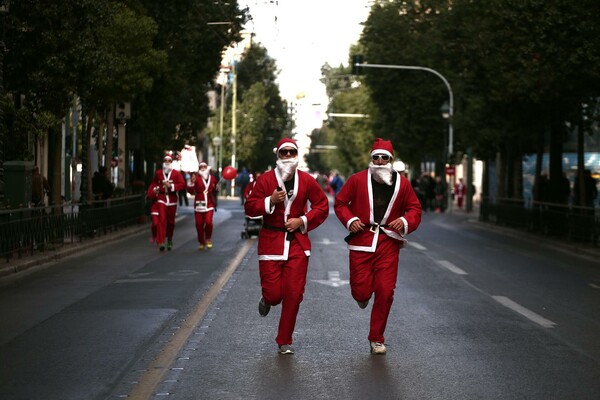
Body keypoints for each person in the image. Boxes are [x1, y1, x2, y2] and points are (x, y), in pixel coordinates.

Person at [334, 138, 422, 355]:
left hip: (388, 242)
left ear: (391, 160)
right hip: (361, 241)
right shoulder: (357, 180)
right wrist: (350, 220)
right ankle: (362, 296)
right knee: (361, 291)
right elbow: (340, 203)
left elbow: (415, 209)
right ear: (371, 159)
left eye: (385, 158)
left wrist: (404, 221)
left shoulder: (403, 183)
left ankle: (376, 338)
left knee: (385, 290)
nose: (380, 161)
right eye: (376, 157)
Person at [244, 138, 329, 355]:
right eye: (284, 153)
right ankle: (266, 299)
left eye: (292, 152)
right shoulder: (264, 181)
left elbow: (321, 206)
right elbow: (250, 208)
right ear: (278, 156)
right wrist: (270, 201)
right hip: (271, 242)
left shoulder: (307, 180)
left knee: (294, 293)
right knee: (274, 295)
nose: (288, 157)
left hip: (298, 244)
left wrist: (303, 220)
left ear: (297, 155)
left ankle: (284, 340)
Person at [147, 151, 185, 251]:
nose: (167, 162)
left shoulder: (176, 174)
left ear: (171, 162)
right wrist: (155, 189)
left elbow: (182, 185)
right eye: (165, 160)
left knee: (171, 222)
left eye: (169, 160)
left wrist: (172, 186)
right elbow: (154, 183)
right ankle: (161, 242)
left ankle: (170, 239)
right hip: (161, 198)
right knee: (162, 220)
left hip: (172, 200)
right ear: (163, 162)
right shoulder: (158, 173)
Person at [187, 162, 219, 250]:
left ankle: (208, 238)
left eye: (204, 166)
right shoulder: (196, 178)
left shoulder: (212, 178)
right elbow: (189, 190)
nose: (203, 168)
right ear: (199, 168)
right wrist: (191, 183)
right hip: (199, 203)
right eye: (201, 167)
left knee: (208, 222)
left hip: (209, 203)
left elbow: (215, 188)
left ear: (207, 168)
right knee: (199, 224)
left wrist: (217, 188)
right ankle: (201, 242)